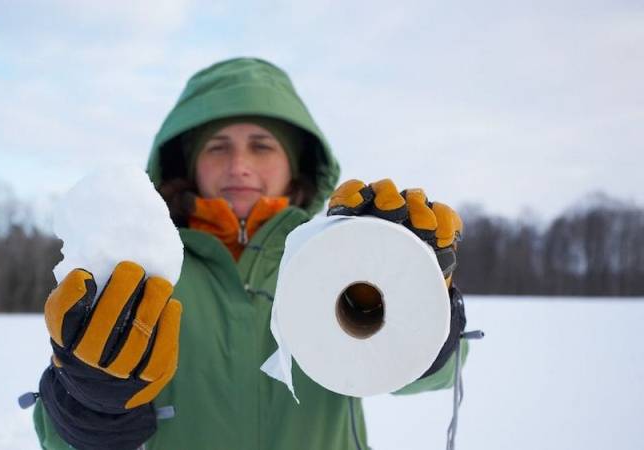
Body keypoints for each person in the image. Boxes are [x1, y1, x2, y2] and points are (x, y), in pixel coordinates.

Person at [31, 57, 468, 450]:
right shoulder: (143, 270)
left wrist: (419, 291)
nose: (239, 165)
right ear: (188, 165)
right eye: (218, 147)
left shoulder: (340, 262)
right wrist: (91, 407)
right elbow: (62, 442)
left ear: (296, 164)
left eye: (262, 145)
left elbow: (432, 375)